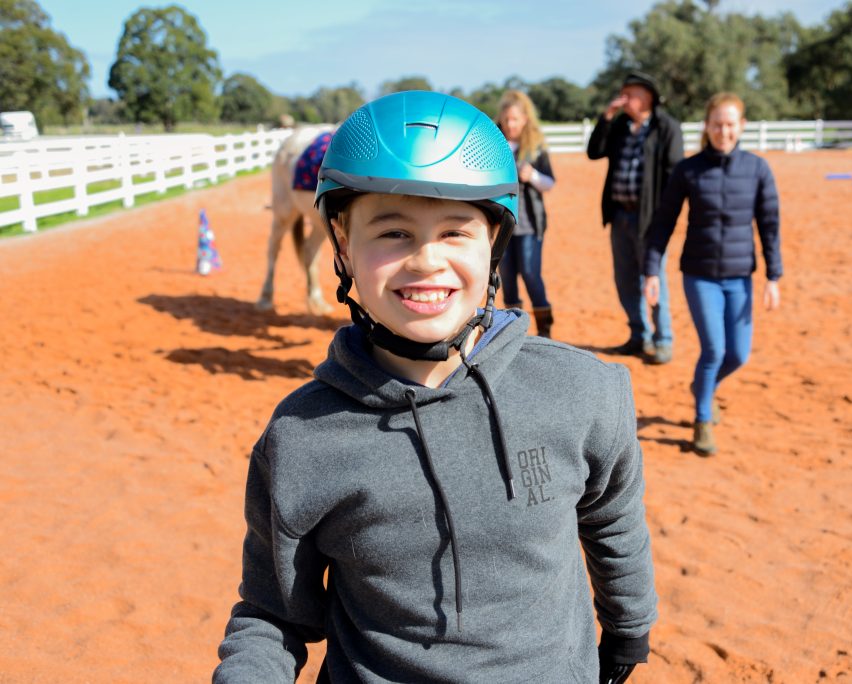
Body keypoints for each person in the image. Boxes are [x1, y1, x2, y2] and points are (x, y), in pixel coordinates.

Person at [214, 91, 656, 684]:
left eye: (455, 232)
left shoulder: (582, 392)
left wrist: (629, 627)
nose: (426, 260)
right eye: (393, 232)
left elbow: (611, 517)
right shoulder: (299, 440)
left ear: (495, 242)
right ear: (342, 245)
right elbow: (273, 613)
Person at [643, 92, 782, 456]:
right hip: (700, 275)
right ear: (707, 125)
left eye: (730, 124)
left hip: (740, 277)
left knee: (738, 354)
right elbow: (664, 222)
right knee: (714, 349)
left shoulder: (757, 169)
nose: (724, 131)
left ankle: (703, 387)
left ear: (742, 126)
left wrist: (773, 276)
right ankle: (702, 419)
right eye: (717, 124)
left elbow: (769, 225)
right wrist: (651, 271)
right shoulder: (688, 170)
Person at [586, 71, 683, 364]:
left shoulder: (666, 127)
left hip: (650, 220)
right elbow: (594, 151)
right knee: (625, 280)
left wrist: (664, 217)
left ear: (648, 97)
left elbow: (674, 173)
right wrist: (606, 116)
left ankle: (663, 339)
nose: (625, 97)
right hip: (620, 216)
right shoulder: (619, 126)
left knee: (653, 280)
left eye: (632, 93)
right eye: (623, 92)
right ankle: (638, 336)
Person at [495, 89, 557, 338]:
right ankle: (513, 333)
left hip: (530, 225)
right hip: (502, 227)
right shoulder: (495, 146)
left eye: (515, 119)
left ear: (525, 120)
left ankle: (545, 330)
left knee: (531, 274)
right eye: (507, 119)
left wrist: (532, 175)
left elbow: (550, 183)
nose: (510, 124)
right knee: (507, 279)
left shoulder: (536, 148)